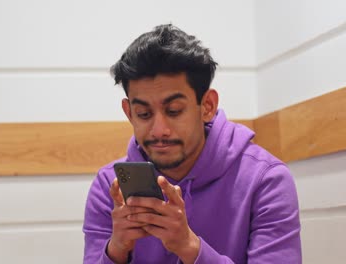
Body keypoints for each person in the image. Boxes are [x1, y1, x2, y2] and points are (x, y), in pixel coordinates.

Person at [83, 24, 302, 263]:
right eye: (144, 114)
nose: (159, 130)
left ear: (207, 106)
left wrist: (189, 247)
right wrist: (115, 250)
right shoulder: (109, 186)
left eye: (174, 111)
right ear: (129, 113)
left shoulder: (266, 180)